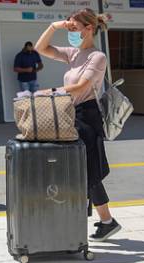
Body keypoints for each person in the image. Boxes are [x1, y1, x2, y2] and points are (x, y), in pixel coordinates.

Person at [34, 8, 121, 242]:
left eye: (74, 29)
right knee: (81, 171)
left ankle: (105, 221)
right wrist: (54, 27)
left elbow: (82, 86)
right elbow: (40, 49)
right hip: (72, 115)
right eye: (69, 29)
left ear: (89, 29)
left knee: (89, 171)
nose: (70, 33)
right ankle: (104, 221)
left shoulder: (97, 57)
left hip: (88, 117)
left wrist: (50, 92)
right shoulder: (73, 54)